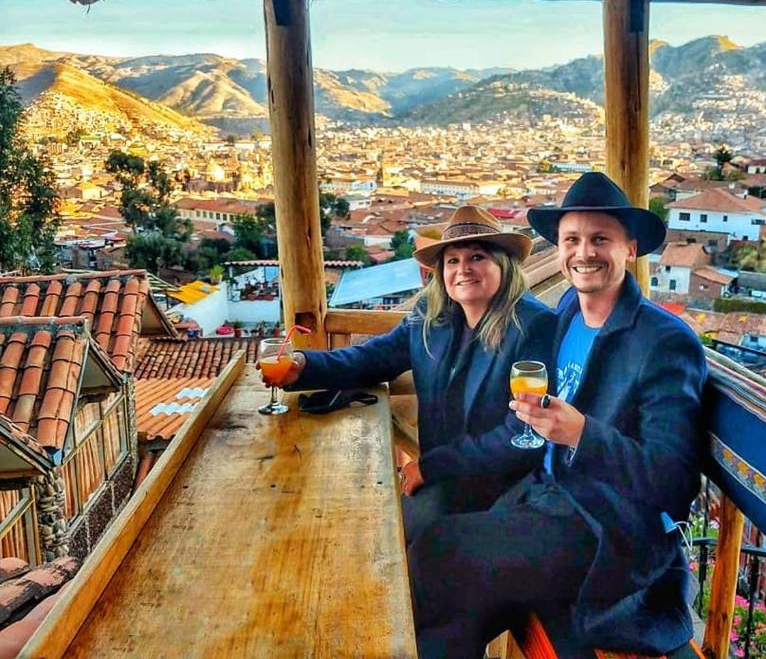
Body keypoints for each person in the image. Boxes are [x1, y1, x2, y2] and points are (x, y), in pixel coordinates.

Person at [408, 173, 708, 658]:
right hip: (546, 497)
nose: (583, 253)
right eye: (572, 240)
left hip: (603, 527)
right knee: (454, 598)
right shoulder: (568, 308)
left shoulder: (663, 341)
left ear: (630, 249)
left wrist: (582, 434)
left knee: (438, 549)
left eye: (600, 240)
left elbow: (673, 481)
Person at [264, 205, 554, 543]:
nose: (464, 269)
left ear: (503, 264)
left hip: (504, 486)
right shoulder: (430, 315)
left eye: (477, 257)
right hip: (443, 478)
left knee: (397, 546)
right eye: (453, 261)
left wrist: (432, 467)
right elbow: (374, 357)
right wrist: (303, 365)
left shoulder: (534, 326)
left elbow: (522, 435)